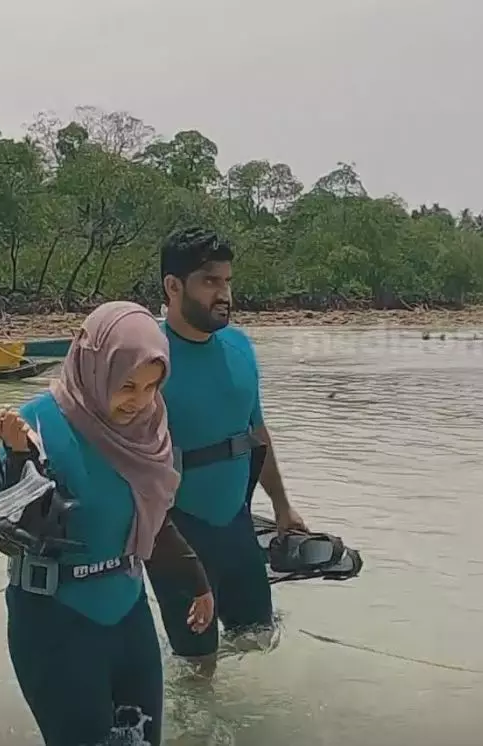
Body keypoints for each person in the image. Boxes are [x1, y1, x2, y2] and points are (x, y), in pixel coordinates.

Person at [0, 300, 215, 746]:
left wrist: (197, 582)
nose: (139, 401)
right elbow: (10, 536)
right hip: (55, 623)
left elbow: (151, 522)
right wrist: (19, 459)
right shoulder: (32, 425)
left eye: (151, 386)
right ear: (96, 366)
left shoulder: (148, 430)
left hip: (128, 615)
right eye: (127, 385)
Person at [145, 227, 310, 679]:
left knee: (259, 644)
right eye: (210, 281)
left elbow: (256, 433)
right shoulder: (147, 359)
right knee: (197, 671)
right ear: (173, 286)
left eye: (228, 281)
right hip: (176, 538)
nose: (225, 294)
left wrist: (282, 506)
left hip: (237, 527)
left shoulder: (241, 347)